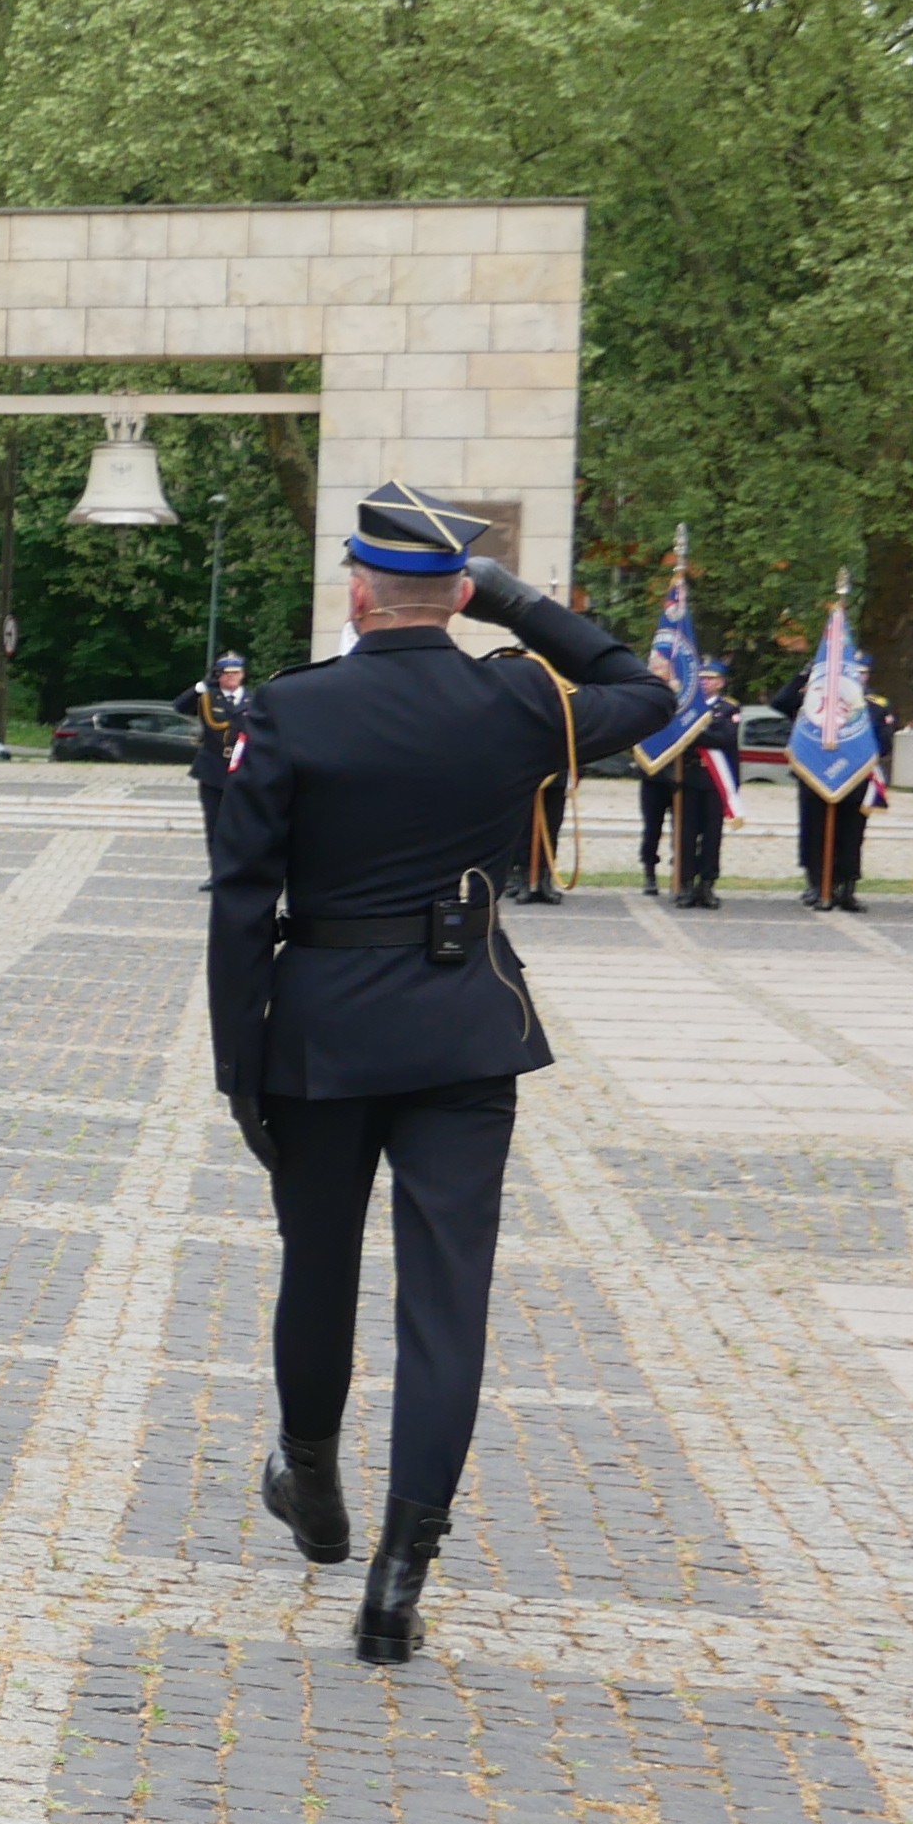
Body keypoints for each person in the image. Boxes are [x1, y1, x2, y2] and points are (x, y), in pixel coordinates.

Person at [207, 485, 673, 1664]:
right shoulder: (516, 699)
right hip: (464, 1027)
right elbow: (646, 689)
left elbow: (238, 900)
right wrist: (516, 602)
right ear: (458, 595)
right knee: (444, 1299)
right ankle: (396, 1577)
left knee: (316, 1264)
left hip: (318, 1031)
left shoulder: (291, 707)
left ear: (355, 592)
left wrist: (236, 1064)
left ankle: (311, 1482)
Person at [779, 655, 899, 912]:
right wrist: (806, 673)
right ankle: (817, 885)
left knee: (851, 835)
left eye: (862, 672)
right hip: (815, 776)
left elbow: (884, 744)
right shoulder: (815, 700)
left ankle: (846, 888)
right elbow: (781, 703)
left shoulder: (876, 705)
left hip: (856, 778)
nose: (857, 677)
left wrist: (852, 755)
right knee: (814, 832)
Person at [643, 665, 741, 908]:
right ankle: (685, 883)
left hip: (714, 780)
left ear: (721, 683)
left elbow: (724, 738)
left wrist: (690, 733)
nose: (704, 682)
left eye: (710, 678)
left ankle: (706, 885)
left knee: (711, 836)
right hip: (687, 779)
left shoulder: (728, 709)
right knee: (685, 835)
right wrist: (692, 732)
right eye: (701, 678)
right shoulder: (685, 709)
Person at [175, 656, 247, 878]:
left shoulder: (254, 700)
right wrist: (200, 687)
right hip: (213, 769)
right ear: (218, 676)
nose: (231, 677)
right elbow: (179, 707)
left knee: (241, 825)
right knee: (214, 824)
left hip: (244, 770)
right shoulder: (208, 697)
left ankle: (239, 872)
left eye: (236, 673)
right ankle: (218, 874)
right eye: (226, 673)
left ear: (243, 674)